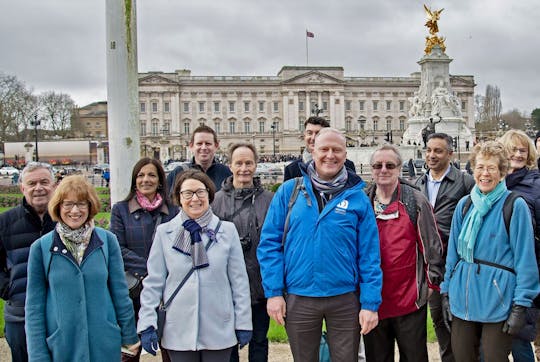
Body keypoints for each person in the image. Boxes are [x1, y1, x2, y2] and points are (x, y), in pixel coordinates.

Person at [258, 128, 382, 361]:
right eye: (324, 149)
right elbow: (269, 245)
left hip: (344, 297)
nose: (330, 155)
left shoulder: (358, 199)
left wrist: (370, 303)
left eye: (337, 150)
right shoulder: (289, 191)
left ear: (345, 155)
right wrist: (274, 293)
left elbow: (369, 255)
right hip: (299, 295)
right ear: (313, 151)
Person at [440, 141, 540, 361]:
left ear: (502, 172)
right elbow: (453, 256)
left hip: (498, 299)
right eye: (480, 167)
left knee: (494, 357)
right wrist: (446, 291)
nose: (485, 174)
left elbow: (525, 260)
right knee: (463, 356)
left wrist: (521, 305)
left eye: (491, 168)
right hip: (463, 297)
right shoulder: (465, 205)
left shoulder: (515, 205)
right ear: (473, 169)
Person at [137, 170, 252, 361]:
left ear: (209, 194)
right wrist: (148, 322)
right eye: (187, 193)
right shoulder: (164, 233)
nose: (195, 199)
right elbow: (154, 283)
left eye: (200, 192)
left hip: (218, 328)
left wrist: (243, 323)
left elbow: (239, 282)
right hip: (178, 330)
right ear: (179, 198)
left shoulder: (227, 231)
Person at [25, 175, 140, 361]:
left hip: (104, 343)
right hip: (62, 346)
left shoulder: (108, 241)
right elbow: (34, 308)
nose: (75, 211)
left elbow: (120, 292)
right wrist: (38, 355)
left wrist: (129, 336)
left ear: (90, 206)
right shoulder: (41, 248)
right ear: (58, 207)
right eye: (68, 204)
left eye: (81, 204)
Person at [364, 144, 443, 362]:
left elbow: (432, 247)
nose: (383, 170)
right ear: (371, 169)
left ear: (399, 169)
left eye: (390, 165)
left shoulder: (416, 201)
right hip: (374, 301)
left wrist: (430, 286)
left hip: (409, 300)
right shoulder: (363, 202)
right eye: (378, 165)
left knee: (414, 357)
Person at [110, 157, 179, 361]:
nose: (145, 179)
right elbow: (117, 248)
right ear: (134, 180)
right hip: (132, 288)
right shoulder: (120, 210)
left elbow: (179, 248)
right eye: (140, 175)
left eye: (151, 175)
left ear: (160, 181)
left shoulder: (174, 211)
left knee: (171, 349)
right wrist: (152, 269)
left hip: (167, 289)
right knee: (130, 350)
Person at [415, 132, 474, 362]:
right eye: (428, 150)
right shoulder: (418, 183)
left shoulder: (465, 182)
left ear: (450, 153)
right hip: (429, 266)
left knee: (459, 323)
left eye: (438, 151)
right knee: (439, 319)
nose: (431, 155)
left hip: (455, 264)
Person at [212, 142, 274, 362]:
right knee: (229, 344)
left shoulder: (268, 200)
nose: (244, 168)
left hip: (259, 282)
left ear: (256, 165)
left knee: (259, 340)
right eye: (239, 163)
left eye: (249, 163)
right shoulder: (217, 200)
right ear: (230, 166)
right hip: (226, 284)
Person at [0, 162, 57, 362]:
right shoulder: (5, 222)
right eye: (32, 183)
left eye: (44, 182)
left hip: (59, 314)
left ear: (54, 185)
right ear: (22, 188)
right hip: (20, 314)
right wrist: (11, 289)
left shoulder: (66, 221)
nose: (38, 188)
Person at [499, 130, 540, 361]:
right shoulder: (493, 182)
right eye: (512, 149)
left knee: (520, 339)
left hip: (525, 271)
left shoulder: (536, 185)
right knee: (492, 341)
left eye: (522, 150)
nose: (517, 154)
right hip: (497, 272)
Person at [283, 116, 356, 181]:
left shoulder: (347, 166)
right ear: (304, 135)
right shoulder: (291, 169)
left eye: (318, 133)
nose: (313, 137)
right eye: (309, 133)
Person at [166, 125, 232, 193]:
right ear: (191, 146)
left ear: (216, 146)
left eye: (208, 144)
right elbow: (167, 200)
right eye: (199, 143)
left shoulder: (227, 173)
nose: (203, 147)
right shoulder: (177, 173)